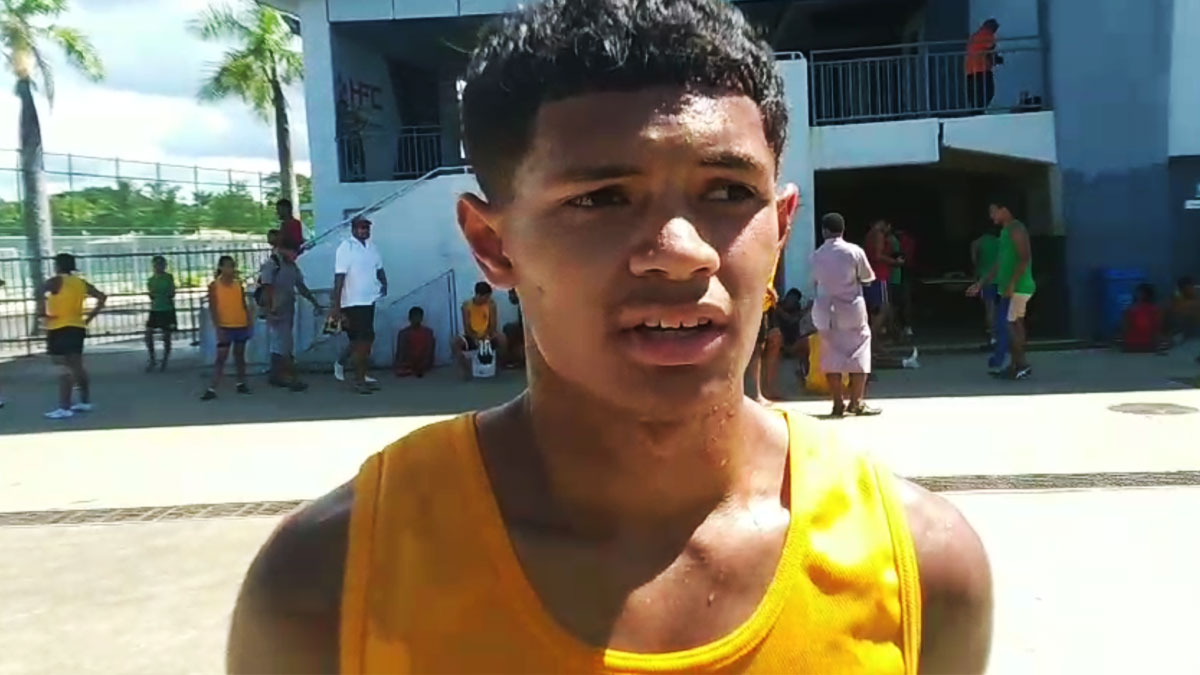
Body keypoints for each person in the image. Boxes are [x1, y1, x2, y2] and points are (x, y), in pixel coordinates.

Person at [226, 2, 992, 673]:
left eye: (728, 191)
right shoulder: (332, 584)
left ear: (781, 225)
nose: (682, 250)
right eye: (601, 198)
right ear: (492, 244)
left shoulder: (920, 569)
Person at [811, 213, 882, 417]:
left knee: (830, 353)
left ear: (824, 231)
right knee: (860, 349)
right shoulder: (854, 251)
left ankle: (837, 403)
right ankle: (856, 402)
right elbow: (868, 277)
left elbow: (815, 280)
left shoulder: (816, 255)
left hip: (825, 309)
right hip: (851, 308)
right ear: (843, 230)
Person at [969, 196, 1035, 379]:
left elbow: (1024, 257)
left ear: (1004, 209)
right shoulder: (1005, 232)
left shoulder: (1016, 229)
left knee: (1010, 325)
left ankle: (1021, 365)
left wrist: (1012, 283)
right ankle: (1016, 365)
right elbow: (999, 263)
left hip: (1017, 287)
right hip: (1009, 287)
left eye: (993, 211)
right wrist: (980, 284)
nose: (991, 216)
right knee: (1014, 324)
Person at [41, 253, 107, 420]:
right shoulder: (80, 282)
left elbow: (39, 290)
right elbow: (102, 297)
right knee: (77, 365)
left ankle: (65, 406)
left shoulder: (56, 281)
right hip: (77, 325)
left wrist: (43, 313)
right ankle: (84, 401)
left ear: (58, 265)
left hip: (59, 326)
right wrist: (89, 317)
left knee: (63, 366)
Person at [331, 216, 388, 394]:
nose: (364, 231)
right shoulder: (346, 248)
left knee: (364, 341)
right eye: (361, 228)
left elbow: (379, 268)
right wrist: (336, 306)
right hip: (352, 302)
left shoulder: (372, 248)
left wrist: (384, 283)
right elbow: (339, 277)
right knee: (361, 342)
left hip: (368, 300)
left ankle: (348, 366)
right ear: (353, 229)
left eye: (366, 228)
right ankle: (359, 379)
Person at [260, 243, 323, 391]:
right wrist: (268, 310)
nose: (296, 255)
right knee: (283, 344)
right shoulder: (272, 265)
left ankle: (278, 375)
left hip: (287, 308)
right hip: (276, 310)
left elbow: (300, 286)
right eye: (294, 252)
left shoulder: (292, 267)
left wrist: (314, 302)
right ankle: (287, 376)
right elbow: (267, 287)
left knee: (281, 344)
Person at [202, 256, 253, 401]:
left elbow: (243, 304)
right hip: (225, 326)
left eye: (232, 266)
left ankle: (241, 383)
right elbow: (213, 308)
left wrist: (249, 322)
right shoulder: (214, 286)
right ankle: (212, 387)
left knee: (240, 356)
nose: (230, 269)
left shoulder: (238, 284)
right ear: (221, 268)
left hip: (240, 324)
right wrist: (218, 327)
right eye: (228, 266)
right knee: (221, 358)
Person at [762, 287, 811, 397]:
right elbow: (789, 319)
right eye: (790, 298)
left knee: (805, 343)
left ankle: (805, 375)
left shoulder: (796, 310)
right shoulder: (777, 307)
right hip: (779, 344)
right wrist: (806, 310)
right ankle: (769, 387)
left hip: (792, 344)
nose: (791, 301)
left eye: (794, 300)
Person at [453, 281, 507, 379]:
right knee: (455, 342)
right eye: (485, 297)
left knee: (502, 339)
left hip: (488, 335)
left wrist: (486, 337)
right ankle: (465, 370)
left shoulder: (491, 304)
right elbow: (467, 327)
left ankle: (499, 366)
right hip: (472, 336)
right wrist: (476, 338)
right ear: (478, 295)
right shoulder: (466, 306)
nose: (487, 299)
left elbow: (493, 325)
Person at [864, 219, 901, 345]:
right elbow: (878, 256)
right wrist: (895, 262)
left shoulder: (869, 235)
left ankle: (886, 335)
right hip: (880, 275)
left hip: (872, 275)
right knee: (883, 308)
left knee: (877, 309)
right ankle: (871, 339)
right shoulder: (878, 234)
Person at [970, 222, 1001, 347]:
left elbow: (974, 262)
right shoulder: (1000, 242)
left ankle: (993, 338)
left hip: (985, 279)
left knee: (989, 309)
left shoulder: (976, 243)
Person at [144, 255, 176, 372]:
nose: (159, 267)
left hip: (167, 309)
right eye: (156, 265)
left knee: (166, 336)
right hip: (155, 309)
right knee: (148, 334)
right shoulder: (151, 280)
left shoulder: (168, 277)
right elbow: (151, 294)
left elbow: (172, 293)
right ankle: (152, 359)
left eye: (161, 264)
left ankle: (165, 360)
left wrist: (165, 295)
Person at [965, 19, 1002, 111]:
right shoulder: (988, 35)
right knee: (987, 92)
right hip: (982, 69)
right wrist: (996, 60)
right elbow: (989, 51)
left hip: (970, 71)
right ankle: (979, 112)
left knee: (974, 97)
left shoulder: (975, 36)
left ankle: (975, 112)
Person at [1120, 283, 1167, 353]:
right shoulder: (1156, 310)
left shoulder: (1129, 310)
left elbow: (1124, 329)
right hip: (1149, 346)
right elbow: (1157, 329)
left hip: (1130, 346)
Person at [394, 306, 436, 378]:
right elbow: (400, 351)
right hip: (408, 363)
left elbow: (430, 351)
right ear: (409, 318)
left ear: (421, 318)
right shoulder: (404, 333)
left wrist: (425, 363)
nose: (416, 319)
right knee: (401, 370)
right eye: (414, 317)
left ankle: (415, 369)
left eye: (418, 317)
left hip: (423, 363)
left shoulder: (428, 332)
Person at [1167, 276, 1200, 341]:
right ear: (1182, 290)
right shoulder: (1177, 295)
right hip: (1186, 329)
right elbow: (1177, 309)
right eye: (1186, 288)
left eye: (1191, 287)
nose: (1190, 290)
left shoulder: (1197, 290)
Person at [502, 288, 525, 369]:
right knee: (508, 329)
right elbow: (513, 301)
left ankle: (518, 360)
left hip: (533, 326)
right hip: (523, 325)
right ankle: (513, 359)